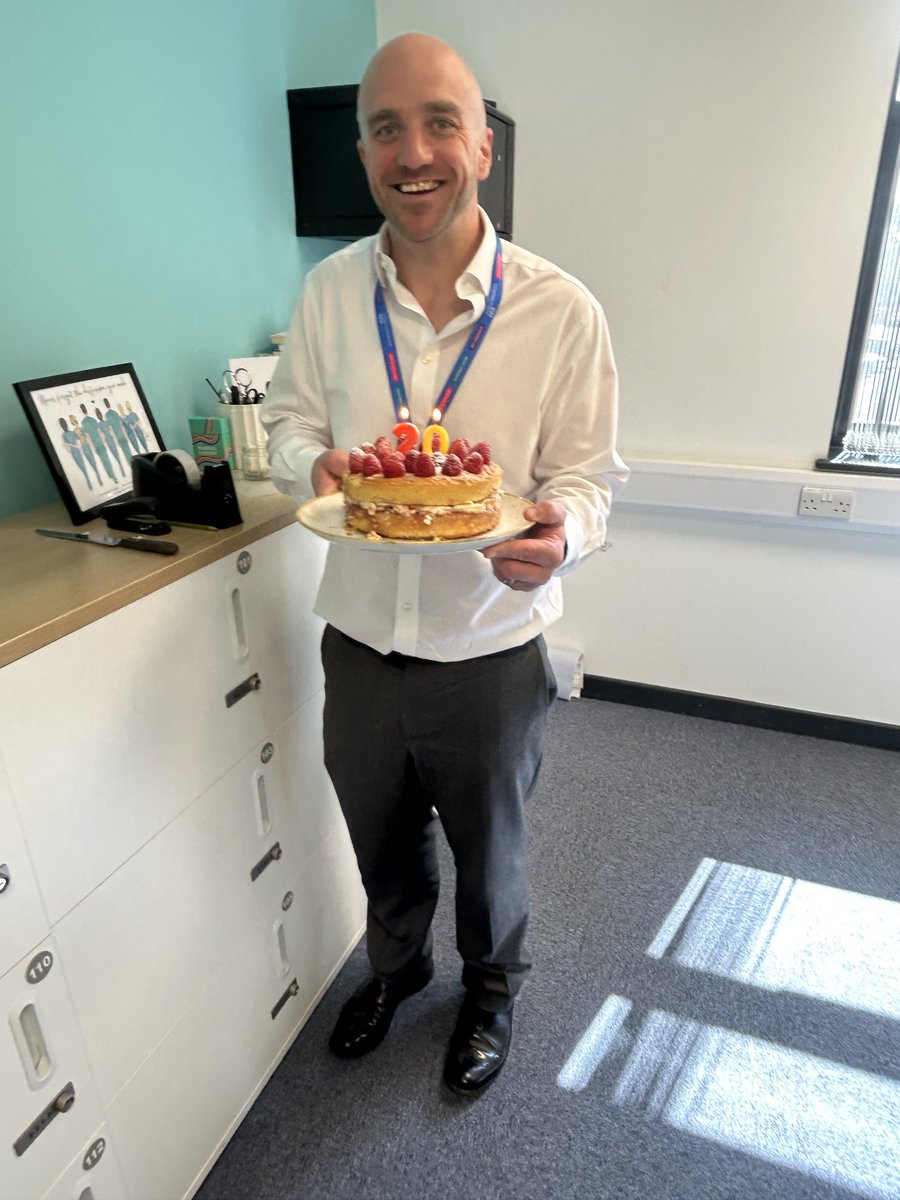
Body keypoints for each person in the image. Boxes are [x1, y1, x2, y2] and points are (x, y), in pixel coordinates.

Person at [261, 32, 628, 1096]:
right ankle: (397, 969)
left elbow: (590, 479)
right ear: (365, 150)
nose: (411, 152)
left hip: (490, 645)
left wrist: (561, 532)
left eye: (437, 124)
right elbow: (284, 427)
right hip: (362, 640)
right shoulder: (330, 293)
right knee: (379, 839)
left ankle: (491, 990)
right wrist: (310, 460)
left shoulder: (560, 308)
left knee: (492, 848)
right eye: (385, 128)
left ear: (483, 146)